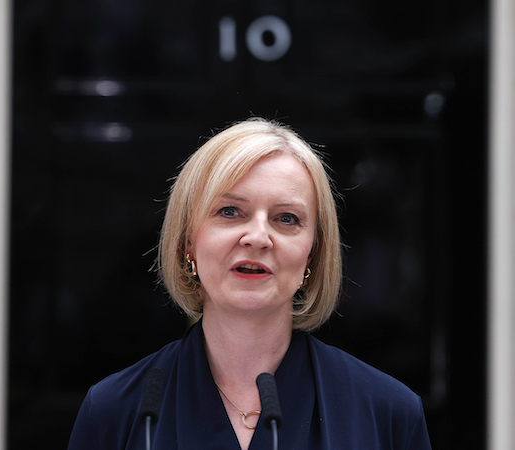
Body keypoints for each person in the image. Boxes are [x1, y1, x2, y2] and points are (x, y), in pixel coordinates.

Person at [67, 118, 432, 450]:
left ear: (312, 255)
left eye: (286, 218)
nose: (258, 237)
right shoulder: (116, 413)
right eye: (230, 211)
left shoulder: (389, 414)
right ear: (187, 242)